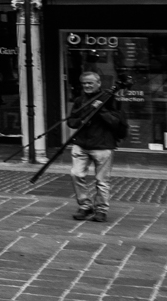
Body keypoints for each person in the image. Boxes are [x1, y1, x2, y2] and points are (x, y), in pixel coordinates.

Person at [66, 71, 127, 223]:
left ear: (98, 83)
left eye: (90, 83)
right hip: (81, 144)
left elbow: (116, 122)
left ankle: (101, 210)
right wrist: (81, 120)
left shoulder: (110, 99)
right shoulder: (80, 100)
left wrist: (101, 110)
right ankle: (85, 206)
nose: (87, 86)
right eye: (84, 83)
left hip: (103, 145)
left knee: (102, 180)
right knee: (76, 174)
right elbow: (71, 121)